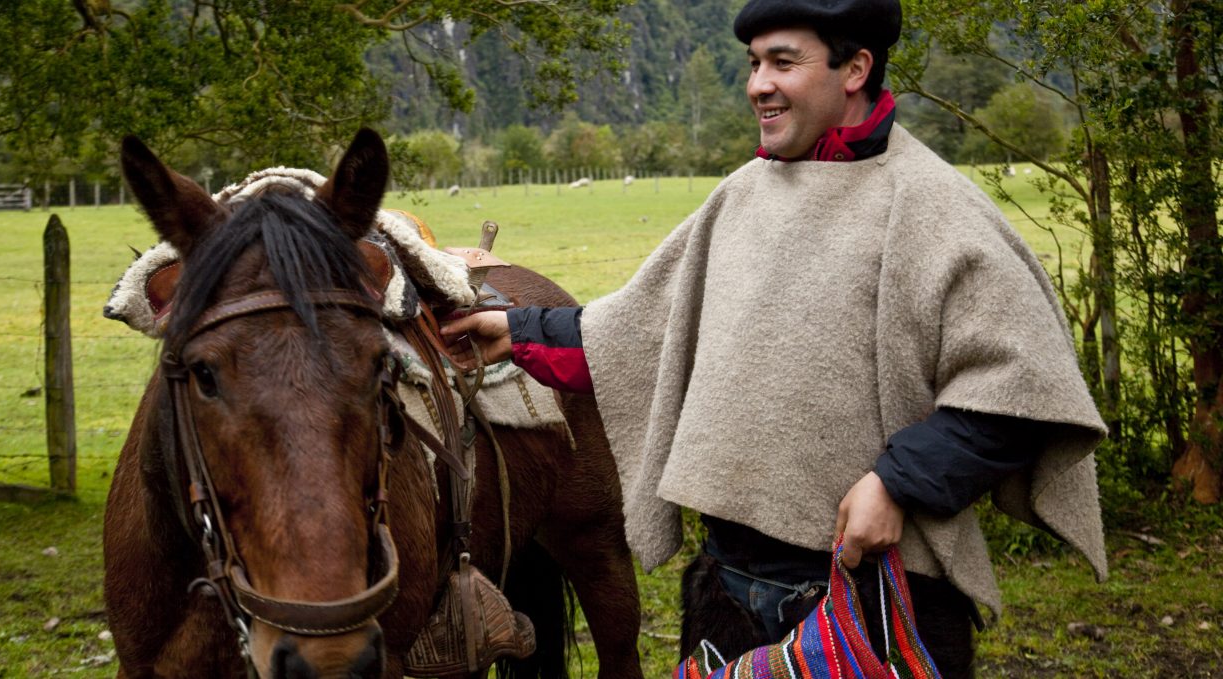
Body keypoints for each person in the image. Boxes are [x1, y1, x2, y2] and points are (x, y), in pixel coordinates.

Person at [442, 1, 1108, 676]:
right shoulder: (739, 199)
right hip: (726, 595)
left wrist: (896, 482)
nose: (759, 82)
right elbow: (638, 334)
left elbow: (1019, 395)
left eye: (783, 62)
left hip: (879, 598)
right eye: (754, 63)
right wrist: (514, 331)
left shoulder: (937, 209)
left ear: (856, 68)